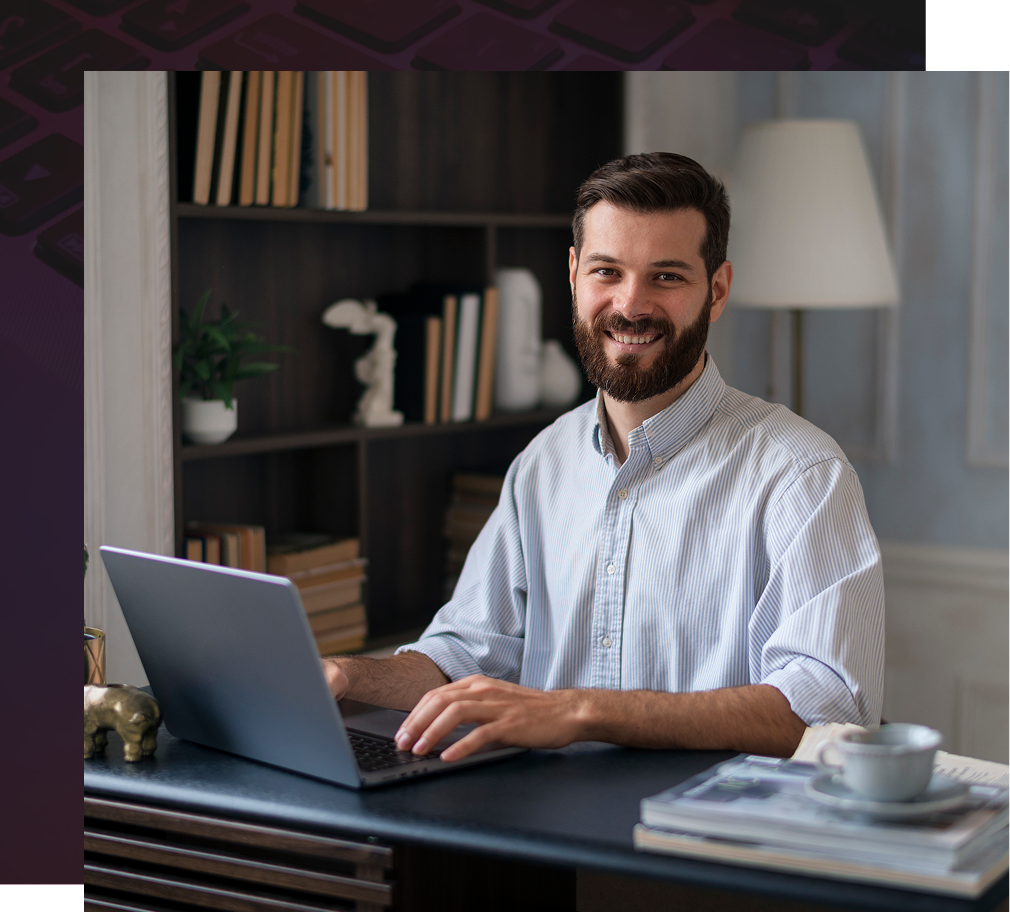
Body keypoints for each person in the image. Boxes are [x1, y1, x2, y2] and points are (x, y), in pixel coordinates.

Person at [323, 152, 884, 762]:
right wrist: (350, 676)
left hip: (704, 844)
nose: (630, 304)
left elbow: (828, 709)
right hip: (541, 833)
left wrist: (581, 710)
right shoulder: (543, 463)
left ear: (716, 290)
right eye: (607, 271)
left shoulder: (802, 475)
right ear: (572, 274)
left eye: (666, 276)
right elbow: (464, 656)